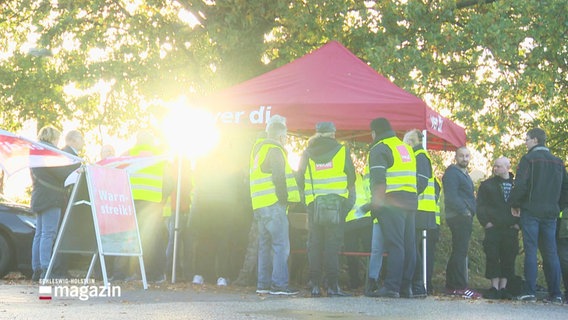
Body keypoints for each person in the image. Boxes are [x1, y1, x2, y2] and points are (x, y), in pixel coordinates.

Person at [296, 121, 356, 297]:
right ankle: (332, 286)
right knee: (332, 245)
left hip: (314, 204)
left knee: (315, 244)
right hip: (335, 205)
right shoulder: (341, 151)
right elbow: (351, 177)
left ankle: (314, 285)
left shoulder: (307, 153)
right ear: (333, 133)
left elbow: (299, 179)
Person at [509, 128, 568, 303]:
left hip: (531, 212)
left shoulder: (529, 159)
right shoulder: (558, 162)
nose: (525, 142)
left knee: (531, 251)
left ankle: (530, 291)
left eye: (526, 139)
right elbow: (566, 189)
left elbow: (521, 185)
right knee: (551, 252)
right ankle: (556, 293)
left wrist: (515, 204)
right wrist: (557, 206)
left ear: (535, 140)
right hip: (551, 213)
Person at [249, 115, 300, 295]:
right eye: (285, 138)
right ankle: (279, 285)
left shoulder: (258, 151)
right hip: (273, 204)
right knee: (280, 246)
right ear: (281, 137)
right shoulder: (275, 150)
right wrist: (284, 199)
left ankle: (263, 284)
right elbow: (279, 178)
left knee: (264, 245)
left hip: (259, 205)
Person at [367, 118, 417, 298]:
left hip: (393, 203)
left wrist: (376, 205)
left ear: (374, 133)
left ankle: (391, 287)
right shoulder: (405, 148)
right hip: (410, 201)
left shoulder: (379, 148)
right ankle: (406, 287)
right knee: (409, 244)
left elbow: (378, 180)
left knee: (395, 245)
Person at [30, 126, 81, 282]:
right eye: (57, 139)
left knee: (39, 235)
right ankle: (46, 269)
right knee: (48, 234)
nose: (59, 142)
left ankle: (36, 269)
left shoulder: (36, 152)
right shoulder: (50, 152)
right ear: (52, 138)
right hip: (51, 198)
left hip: (38, 196)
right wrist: (78, 165)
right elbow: (61, 173)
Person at [117, 129, 167, 283]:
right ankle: (156, 274)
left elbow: (117, 171)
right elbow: (170, 177)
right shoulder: (160, 155)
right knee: (155, 239)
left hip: (132, 201)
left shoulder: (128, 153)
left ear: (137, 140)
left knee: (131, 238)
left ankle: (131, 273)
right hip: (153, 202)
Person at [476, 157, 519, 300]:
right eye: (494, 166)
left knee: (508, 256)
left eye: (499, 166)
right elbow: (480, 205)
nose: (496, 169)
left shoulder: (517, 185)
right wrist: (486, 222)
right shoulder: (487, 185)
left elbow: (524, 205)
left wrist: (519, 224)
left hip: (510, 228)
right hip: (493, 228)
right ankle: (494, 287)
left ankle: (503, 288)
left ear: (508, 167)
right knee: (493, 256)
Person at [442, 146, 481, 299]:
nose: (464, 158)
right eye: (461, 156)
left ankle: (452, 286)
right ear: (455, 157)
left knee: (458, 250)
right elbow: (451, 196)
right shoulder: (452, 173)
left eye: (467, 156)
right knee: (460, 251)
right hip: (458, 217)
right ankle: (459, 287)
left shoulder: (464, 174)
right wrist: (464, 211)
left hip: (464, 216)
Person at [403, 129, 436, 298]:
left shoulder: (420, 156)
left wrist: (407, 197)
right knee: (414, 246)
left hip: (420, 209)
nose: (406, 143)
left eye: (409, 140)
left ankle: (417, 283)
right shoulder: (419, 155)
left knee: (413, 247)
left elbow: (421, 182)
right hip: (420, 208)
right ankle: (416, 283)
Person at [343, 173, 373, 290]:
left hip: (349, 220)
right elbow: (370, 195)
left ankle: (354, 282)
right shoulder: (362, 177)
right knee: (369, 251)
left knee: (351, 253)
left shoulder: (342, 177)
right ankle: (370, 282)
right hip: (365, 218)